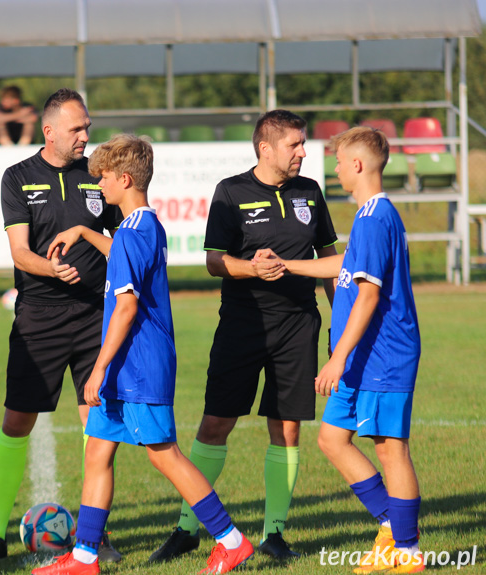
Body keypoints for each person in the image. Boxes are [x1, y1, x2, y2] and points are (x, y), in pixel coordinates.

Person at [33, 134, 254, 575]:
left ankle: (231, 541)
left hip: (138, 365)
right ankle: (84, 557)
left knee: (162, 453)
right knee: (97, 451)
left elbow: (127, 305)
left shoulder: (135, 232)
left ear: (125, 178)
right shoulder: (143, 226)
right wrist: (84, 232)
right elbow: (122, 255)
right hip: (126, 365)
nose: (98, 187)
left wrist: (98, 370)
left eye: (103, 180)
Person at [149, 109, 338, 563]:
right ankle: (188, 527)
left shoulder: (310, 192)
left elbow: (331, 258)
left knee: (286, 427)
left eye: (303, 143)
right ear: (265, 148)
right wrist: (250, 267)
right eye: (294, 145)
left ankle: (275, 533)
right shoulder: (231, 192)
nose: (303, 152)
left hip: (299, 324)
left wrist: (341, 325)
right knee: (216, 423)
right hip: (242, 323)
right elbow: (214, 261)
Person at [254, 127, 424, 574]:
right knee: (332, 439)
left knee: (391, 449)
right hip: (364, 355)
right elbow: (347, 266)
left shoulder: (376, 216)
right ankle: (393, 526)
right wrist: (288, 265)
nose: (333, 168)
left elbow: (367, 295)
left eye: (338, 161)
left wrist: (337, 356)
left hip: (383, 354)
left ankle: (406, 550)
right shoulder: (370, 216)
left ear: (358, 165)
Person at [0, 89, 122, 566]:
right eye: (77, 129)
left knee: (96, 424)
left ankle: (93, 534)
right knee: (18, 421)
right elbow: (19, 252)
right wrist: (51, 269)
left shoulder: (97, 175)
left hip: (95, 315)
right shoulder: (18, 177)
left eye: (88, 127)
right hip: (39, 316)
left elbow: (122, 241)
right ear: (49, 131)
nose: (85, 136)